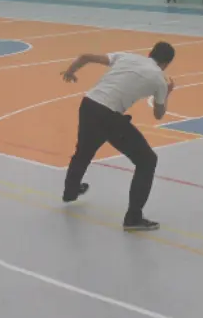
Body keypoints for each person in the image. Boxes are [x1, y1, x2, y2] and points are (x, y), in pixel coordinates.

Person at [59, 42, 176, 232]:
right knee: (147, 160)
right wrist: (167, 93)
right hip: (109, 115)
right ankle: (133, 217)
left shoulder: (127, 56)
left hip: (89, 104)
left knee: (83, 151)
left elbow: (85, 56)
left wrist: (70, 71)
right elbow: (158, 114)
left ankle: (70, 192)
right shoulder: (159, 79)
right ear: (166, 63)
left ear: (150, 53)